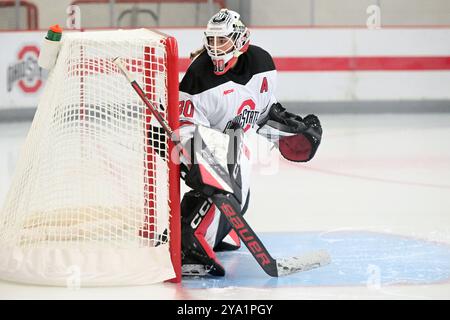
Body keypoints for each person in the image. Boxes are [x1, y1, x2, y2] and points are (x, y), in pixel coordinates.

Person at [178, 8, 322, 276]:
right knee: (225, 186)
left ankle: (215, 234)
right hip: (202, 144)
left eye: (222, 40)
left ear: (239, 39)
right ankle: (189, 245)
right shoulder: (197, 77)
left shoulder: (262, 63)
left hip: (234, 140)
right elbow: (183, 127)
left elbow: (261, 113)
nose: (215, 47)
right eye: (212, 40)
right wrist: (195, 157)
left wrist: (287, 132)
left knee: (238, 201)